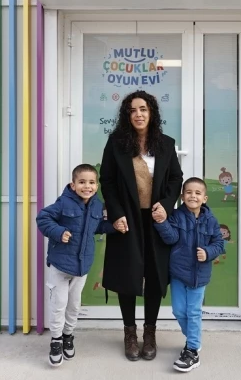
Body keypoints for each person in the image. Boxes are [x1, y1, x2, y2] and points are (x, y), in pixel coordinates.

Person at [100, 90, 184, 361]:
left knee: (155, 274)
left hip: (156, 219)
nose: (138, 114)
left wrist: (167, 204)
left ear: (152, 113)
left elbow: (176, 178)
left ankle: (150, 332)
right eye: (133, 110)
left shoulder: (166, 144)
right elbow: (107, 180)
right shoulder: (116, 143)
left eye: (143, 109)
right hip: (127, 219)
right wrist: (116, 213)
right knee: (127, 273)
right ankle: (129, 332)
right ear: (127, 115)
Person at [36, 164, 121, 367]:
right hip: (60, 265)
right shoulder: (63, 203)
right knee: (59, 305)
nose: (87, 186)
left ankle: (68, 335)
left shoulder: (97, 205)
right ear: (73, 185)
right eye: (82, 182)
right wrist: (58, 232)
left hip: (82, 266)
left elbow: (97, 227)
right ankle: (56, 340)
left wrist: (113, 226)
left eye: (91, 182)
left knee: (74, 305)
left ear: (97, 185)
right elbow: (43, 218)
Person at [153, 177, 225, 372]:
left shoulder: (211, 220)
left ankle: (192, 349)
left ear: (205, 198)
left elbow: (219, 243)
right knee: (179, 311)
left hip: (199, 276)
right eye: (189, 192)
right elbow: (171, 238)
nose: (193, 196)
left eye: (198, 193)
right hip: (178, 273)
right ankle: (195, 338)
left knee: (193, 312)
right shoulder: (176, 216)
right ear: (182, 196)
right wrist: (162, 222)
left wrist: (208, 253)